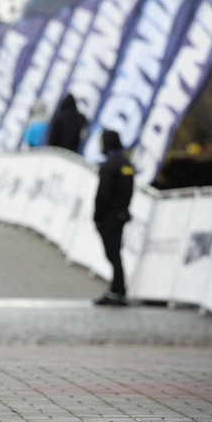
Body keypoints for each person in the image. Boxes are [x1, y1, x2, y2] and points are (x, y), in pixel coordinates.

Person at [93, 130, 135, 306]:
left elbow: (103, 195)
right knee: (115, 253)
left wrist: (97, 216)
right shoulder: (126, 164)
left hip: (109, 217)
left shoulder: (109, 166)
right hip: (121, 215)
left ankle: (118, 291)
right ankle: (117, 289)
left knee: (113, 254)